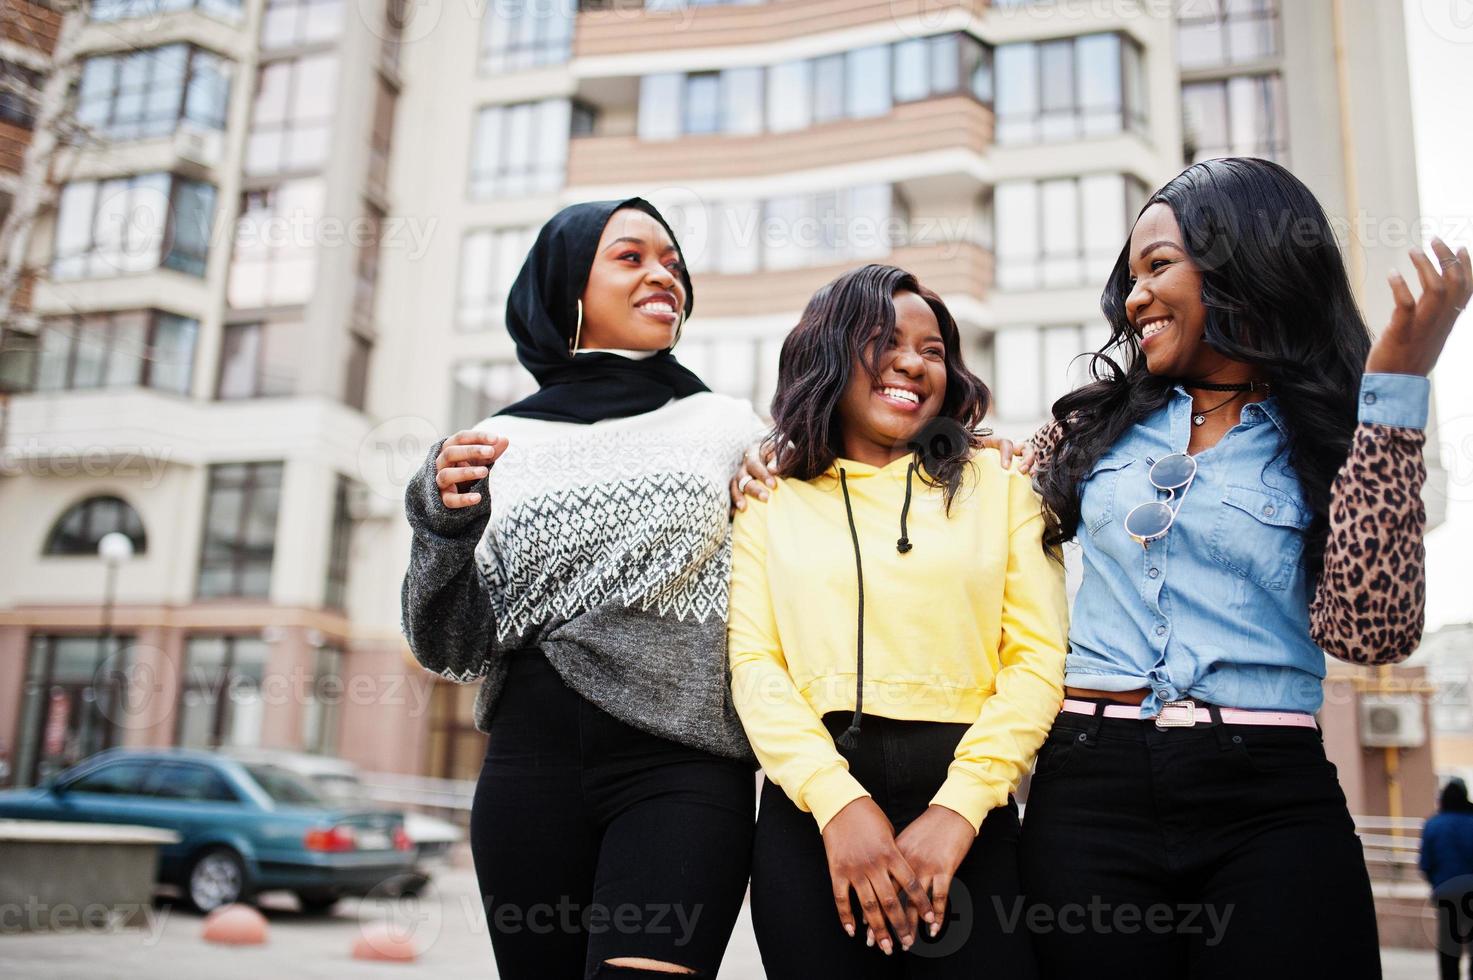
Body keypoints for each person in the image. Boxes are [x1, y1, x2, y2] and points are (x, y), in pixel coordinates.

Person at [734, 157, 1469, 976]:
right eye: (1130, 276)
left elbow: (1371, 630)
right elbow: (937, 475)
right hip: (1092, 791)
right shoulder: (1093, 429)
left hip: (1267, 795)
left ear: (1245, 262)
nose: (1133, 298)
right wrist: (775, 453)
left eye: (1158, 267)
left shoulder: (1331, 434)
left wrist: (1395, 387)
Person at [400, 198, 765, 979]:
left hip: (682, 764)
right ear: (567, 286)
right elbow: (452, 647)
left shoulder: (728, 426)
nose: (662, 274)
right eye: (631, 258)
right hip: (529, 771)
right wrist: (441, 527)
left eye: (670, 261)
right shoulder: (496, 443)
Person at [727, 263, 1068, 978]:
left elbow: (1035, 663)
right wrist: (836, 803)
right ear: (824, 355)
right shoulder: (767, 501)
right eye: (883, 339)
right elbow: (756, 669)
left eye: (933, 350)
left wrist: (960, 810)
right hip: (811, 816)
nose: (912, 361)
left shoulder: (1003, 490)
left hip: (970, 812)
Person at [1422, 778, 1473, 980]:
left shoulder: (1433, 824)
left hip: (1447, 894)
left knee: (1449, 949)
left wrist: (1437, 884)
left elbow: (1425, 863)